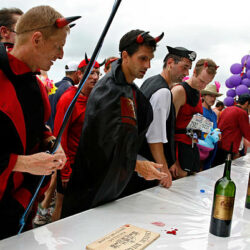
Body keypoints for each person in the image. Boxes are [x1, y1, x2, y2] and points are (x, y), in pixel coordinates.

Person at [61, 29, 167, 218]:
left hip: (114, 189)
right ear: (125, 56)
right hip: (92, 191)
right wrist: (136, 165)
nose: (148, 65)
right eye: (143, 58)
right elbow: (100, 146)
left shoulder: (131, 90)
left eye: (150, 59)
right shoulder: (108, 89)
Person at [0, 5, 81, 239]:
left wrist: (53, 143)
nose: (61, 56)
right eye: (58, 46)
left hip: (22, 206)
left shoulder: (37, 87)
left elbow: (38, 129)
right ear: (36, 39)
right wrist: (22, 163)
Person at [130, 46, 196, 192]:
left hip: (138, 159)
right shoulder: (163, 92)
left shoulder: (151, 81)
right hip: (146, 165)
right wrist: (164, 171)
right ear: (170, 62)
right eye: (184, 67)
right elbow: (155, 137)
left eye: (189, 69)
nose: (186, 73)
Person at [51, 58, 101, 221]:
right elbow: (60, 136)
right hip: (69, 165)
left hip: (86, 164)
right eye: (91, 73)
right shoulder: (69, 99)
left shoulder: (95, 98)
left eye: (98, 73)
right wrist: (65, 171)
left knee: (81, 209)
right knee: (62, 205)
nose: (95, 77)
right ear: (79, 74)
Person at [171, 59, 218, 178]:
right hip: (177, 149)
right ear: (194, 73)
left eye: (207, 83)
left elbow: (194, 121)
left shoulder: (198, 93)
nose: (203, 85)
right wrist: (171, 161)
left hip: (192, 146)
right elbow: (168, 127)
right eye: (202, 81)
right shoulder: (179, 91)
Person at [213, 93, 250, 166]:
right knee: (225, 168)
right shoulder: (242, 113)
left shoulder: (227, 109)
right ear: (246, 103)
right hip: (230, 146)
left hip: (219, 142)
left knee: (215, 166)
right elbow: (247, 132)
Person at [47, 61, 79, 131]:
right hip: (59, 133)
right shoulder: (70, 89)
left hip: (49, 132)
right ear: (76, 73)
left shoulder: (53, 86)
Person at [200, 83, 222, 169]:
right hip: (201, 150)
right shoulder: (199, 111)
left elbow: (213, 129)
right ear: (204, 96)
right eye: (210, 96)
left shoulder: (214, 114)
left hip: (212, 150)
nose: (213, 99)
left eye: (215, 96)